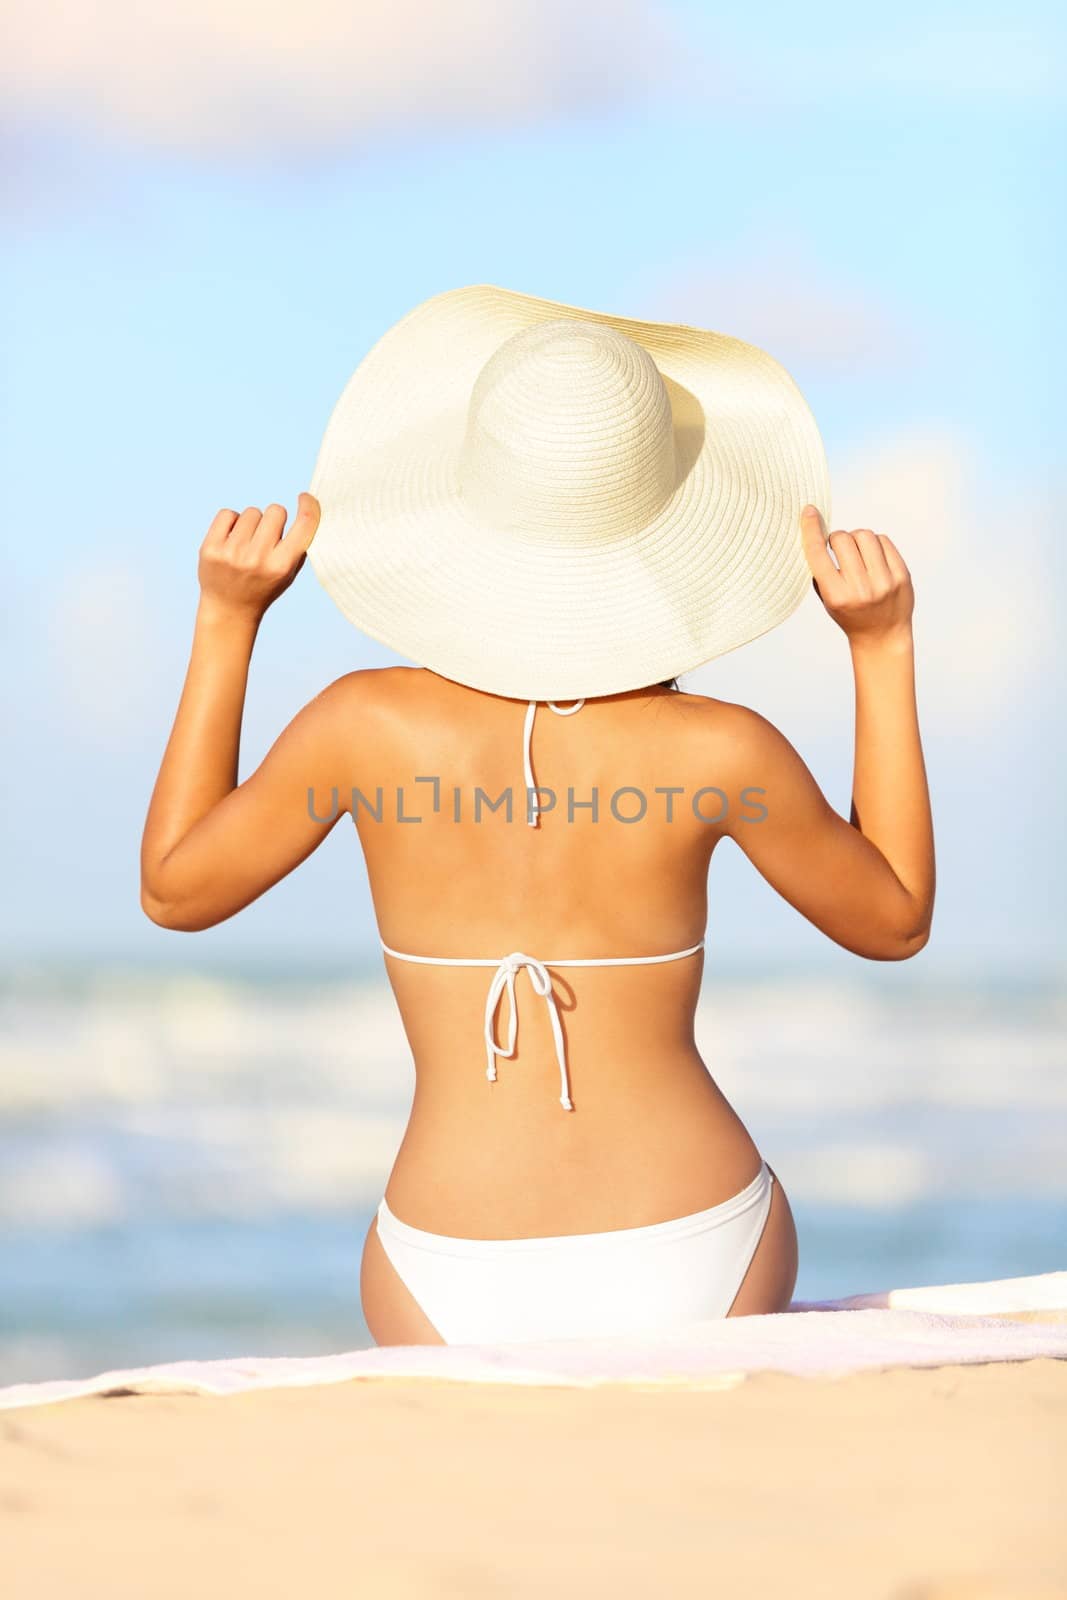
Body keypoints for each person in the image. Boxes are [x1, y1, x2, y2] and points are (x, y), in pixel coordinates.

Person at [140, 285, 934, 1347]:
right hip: (694, 1232)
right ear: (666, 531)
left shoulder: (361, 728)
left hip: (445, 1253)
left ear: (460, 514)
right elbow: (893, 921)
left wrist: (226, 618)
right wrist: (878, 649)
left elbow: (173, 891)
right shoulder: (716, 748)